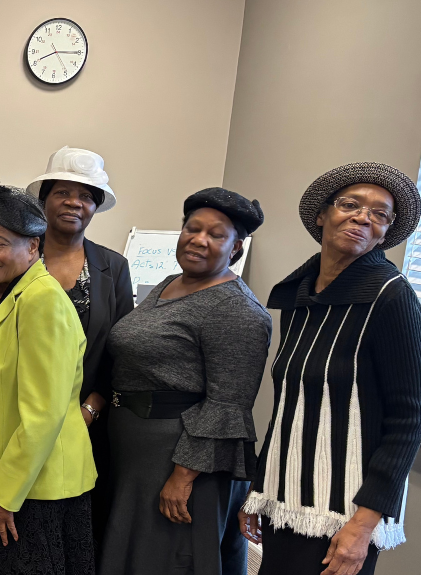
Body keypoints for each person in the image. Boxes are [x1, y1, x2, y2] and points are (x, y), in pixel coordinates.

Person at [240, 163, 421, 575]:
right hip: (286, 496)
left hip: (344, 511)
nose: (363, 217)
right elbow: (293, 404)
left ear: (386, 231)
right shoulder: (301, 296)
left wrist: (362, 525)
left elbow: (409, 419)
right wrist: (259, 490)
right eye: (351, 204)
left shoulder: (391, 296)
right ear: (322, 214)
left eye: (380, 213)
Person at [101, 188, 271, 575]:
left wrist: (182, 476)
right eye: (192, 229)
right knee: (134, 552)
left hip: (181, 454)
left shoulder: (237, 310)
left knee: (169, 559)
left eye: (216, 234)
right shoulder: (169, 283)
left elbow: (228, 405)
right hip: (137, 449)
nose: (198, 240)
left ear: (236, 249)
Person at [0, 184, 95, 574]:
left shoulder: (42, 300)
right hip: (16, 482)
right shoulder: (8, 294)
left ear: (33, 246)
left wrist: (3, 496)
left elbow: (43, 413)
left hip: (34, 489)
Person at [25, 146, 133, 554]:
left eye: (86, 195)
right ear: (45, 199)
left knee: (80, 524)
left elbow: (122, 347)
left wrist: (90, 409)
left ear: (96, 206)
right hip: (24, 419)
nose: (74, 202)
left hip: (90, 420)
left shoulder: (113, 267)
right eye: (63, 192)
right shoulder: (19, 255)